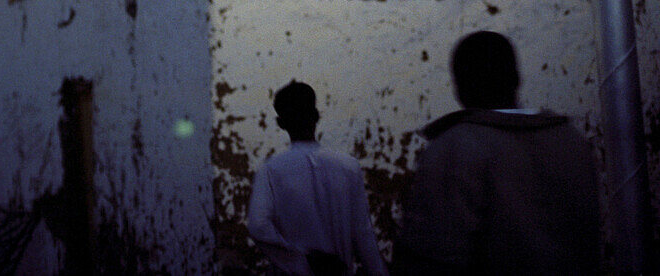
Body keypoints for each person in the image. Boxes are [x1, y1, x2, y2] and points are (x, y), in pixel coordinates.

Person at [392, 30, 602, 275]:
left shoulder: (455, 149)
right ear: (516, 79)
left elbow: (430, 257)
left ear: (459, 87)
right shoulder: (571, 141)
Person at [248, 80, 389, 276]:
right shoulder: (348, 167)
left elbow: (258, 226)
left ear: (281, 123)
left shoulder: (271, 170)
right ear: (316, 116)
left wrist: (299, 260)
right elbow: (363, 235)